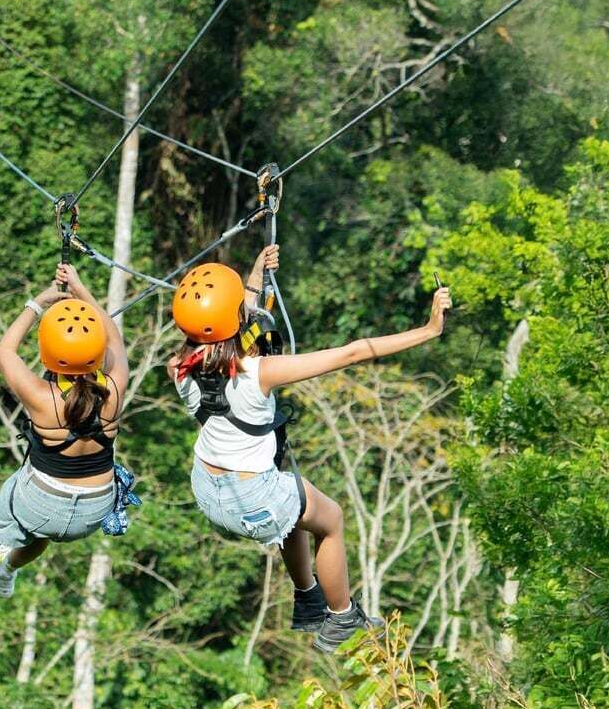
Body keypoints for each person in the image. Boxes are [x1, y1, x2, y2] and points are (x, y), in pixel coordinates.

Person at [168, 245, 452, 652]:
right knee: (330, 518)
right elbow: (354, 351)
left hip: (207, 489)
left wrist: (255, 270)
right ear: (234, 318)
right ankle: (341, 617)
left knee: (293, 500)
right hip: (251, 497)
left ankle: (307, 598)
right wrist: (428, 329)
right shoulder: (261, 373)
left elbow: (225, 320)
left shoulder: (178, 368)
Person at [0, 263, 128, 596]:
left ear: (49, 354)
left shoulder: (41, 396)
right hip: (94, 511)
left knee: (2, 523)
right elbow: (114, 337)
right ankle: (5, 569)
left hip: (41, 504)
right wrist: (79, 289)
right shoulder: (115, 388)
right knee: (42, 530)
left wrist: (40, 301)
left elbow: (4, 351)